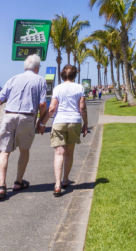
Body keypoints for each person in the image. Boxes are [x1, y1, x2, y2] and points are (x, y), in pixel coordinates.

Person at [0, 55, 48, 201]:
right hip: (27, 117)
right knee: (24, 150)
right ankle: (18, 182)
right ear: (36, 68)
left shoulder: (13, 79)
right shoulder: (40, 80)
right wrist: (41, 122)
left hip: (9, 116)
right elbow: (42, 104)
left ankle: (1, 186)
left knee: (4, 151)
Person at [44, 64, 88, 197]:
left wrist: (42, 123)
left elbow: (52, 108)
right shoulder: (79, 88)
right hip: (74, 121)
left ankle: (57, 185)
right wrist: (85, 124)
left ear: (63, 75)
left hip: (59, 122)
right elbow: (82, 108)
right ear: (75, 75)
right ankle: (65, 179)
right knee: (69, 153)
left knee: (59, 153)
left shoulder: (57, 88)